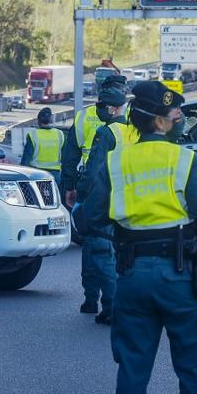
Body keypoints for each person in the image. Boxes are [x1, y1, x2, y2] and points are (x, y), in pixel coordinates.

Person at [76, 81, 197, 394]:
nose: (179, 121)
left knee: (133, 369)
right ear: (158, 119)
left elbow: (89, 217)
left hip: (132, 273)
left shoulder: (117, 162)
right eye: (175, 115)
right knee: (193, 368)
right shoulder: (185, 160)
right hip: (180, 275)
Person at [74, 85, 138, 324]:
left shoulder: (107, 132)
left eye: (101, 106)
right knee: (120, 255)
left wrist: (80, 194)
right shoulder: (132, 132)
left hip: (104, 200)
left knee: (98, 251)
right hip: (128, 200)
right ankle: (109, 303)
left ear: (113, 108)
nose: (98, 110)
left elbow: (94, 171)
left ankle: (108, 306)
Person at [60, 73, 129, 207]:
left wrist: (70, 186)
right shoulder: (130, 116)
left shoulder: (84, 116)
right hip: (121, 185)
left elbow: (70, 157)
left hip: (92, 185)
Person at [20, 107, 65, 182]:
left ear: (38, 121)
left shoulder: (33, 135)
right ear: (51, 120)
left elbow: (26, 159)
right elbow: (65, 157)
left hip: (36, 174)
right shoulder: (59, 134)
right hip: (55, 175)